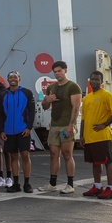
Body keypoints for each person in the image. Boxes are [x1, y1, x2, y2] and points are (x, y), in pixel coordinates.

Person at [38, 60, 82, 195]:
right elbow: (45, 106)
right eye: (55, 71)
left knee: (67, 154)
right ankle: (52, 183)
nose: (57, 74)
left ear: (65, 70)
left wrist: (71, 125)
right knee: (53, 155)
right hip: (54, 125)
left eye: (59, 71)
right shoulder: (52, 88)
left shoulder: (73, 87)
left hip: (66, 126)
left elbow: (76, 107)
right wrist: (47, 100)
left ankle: (70, 184)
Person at [80, 71, 112, 199]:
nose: (94, 81)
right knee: (95, 163)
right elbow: (84, 118)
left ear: (101, 81)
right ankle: (97, 187)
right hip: (89, 137)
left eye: (97, 79)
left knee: (108, 161)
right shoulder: (87, 98)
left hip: (102, 136)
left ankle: (111, 188)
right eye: (92, 79)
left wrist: (105, 124)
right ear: (89, 81)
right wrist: (82, 136)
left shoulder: (106, 95)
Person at [0, 71, 35, 193]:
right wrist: (2, 130)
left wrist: (29, 127)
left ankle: (27, 183)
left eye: (15, 77)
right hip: (9, 131)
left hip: (23, 130)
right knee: (13, 156)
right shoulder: (3, 95)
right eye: (11, 77)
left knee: (25, 155)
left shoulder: (27, 93)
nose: (13, 79)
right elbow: (0, 114)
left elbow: (31, 111)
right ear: (7, 80)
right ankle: (16, 183)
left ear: (19, 79)